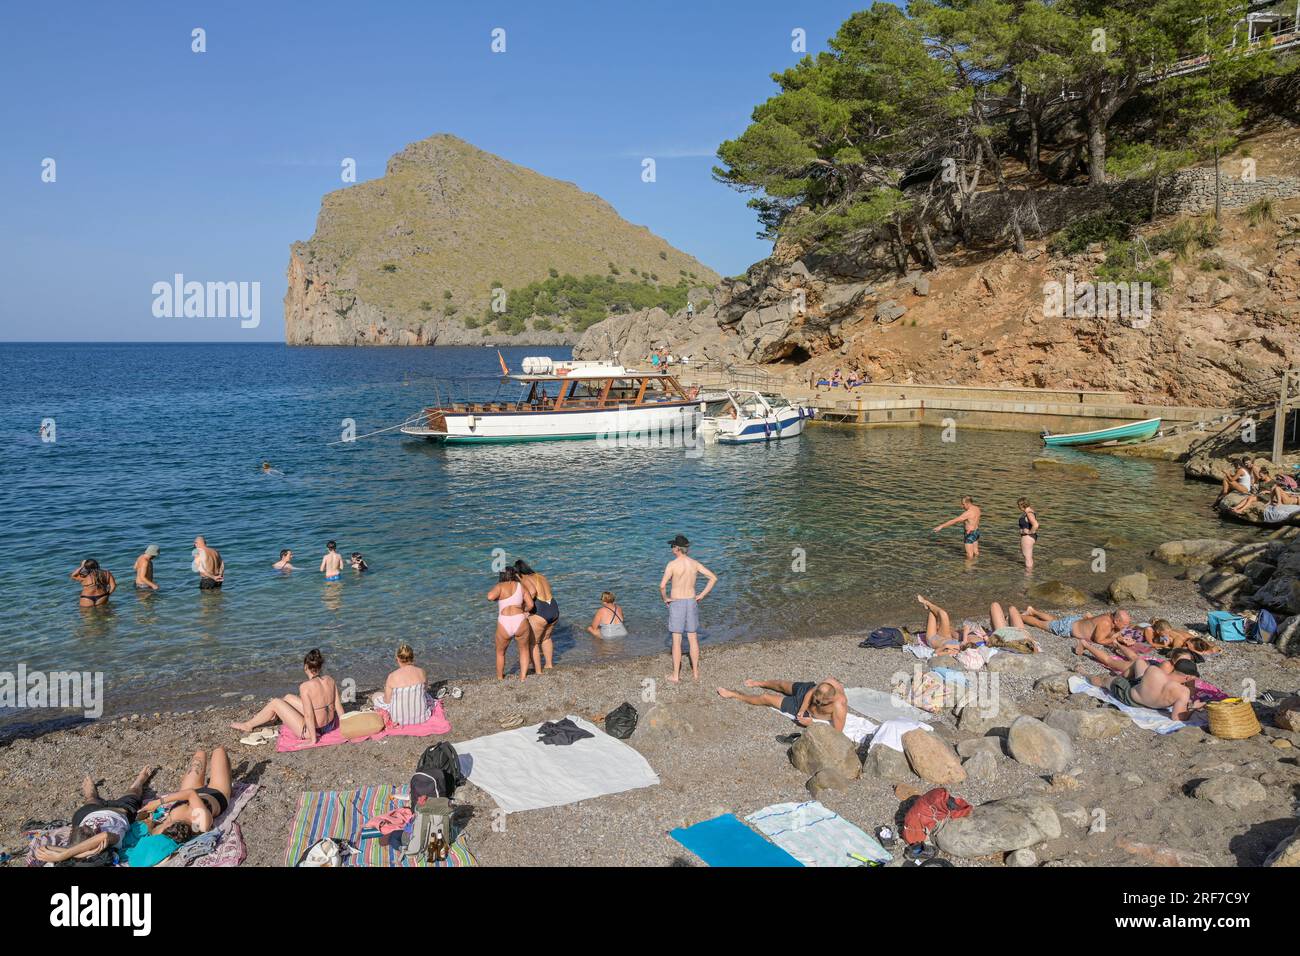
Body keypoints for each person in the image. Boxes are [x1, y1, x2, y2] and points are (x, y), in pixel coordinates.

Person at [33, 766, 155, 864]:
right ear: (93, 846)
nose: (93, 827)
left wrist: (68, 853)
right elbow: (104, 835)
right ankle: (140, 780)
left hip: (88, 813)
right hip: (120, 810)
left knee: (91, 799)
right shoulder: (111, 841)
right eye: (91, 831)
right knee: (134, 793)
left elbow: (41, 850)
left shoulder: (72, 846)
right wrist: (70, 854)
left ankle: (90, 792)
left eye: (85, 828)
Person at [231, 649, 342, 743]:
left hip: (313, 731)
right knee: (288, 698)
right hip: (330, 726)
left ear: (305, 667)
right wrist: (345, 725)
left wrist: (313, 740)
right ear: (320, 666)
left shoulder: (305, 687)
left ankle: (248, 725)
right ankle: (274, 716)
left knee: (275, 702)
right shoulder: (330, 680)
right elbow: (338, 707)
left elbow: (308, 715)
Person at [137, 746, 234, 838]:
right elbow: (191, 794)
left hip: (189, 794)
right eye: (168, 822)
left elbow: (150, 827)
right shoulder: (201, 822)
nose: (166, 822)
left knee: (200, 754)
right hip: (216, 793)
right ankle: (227, 776)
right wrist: (158, 802)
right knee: (219, 752)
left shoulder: (164, 831)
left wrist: (147, 819)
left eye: (167, 822)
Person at [659, 534, 718, 683]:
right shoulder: (694, 563)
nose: (671, 548)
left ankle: (676, 676)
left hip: (677, 602)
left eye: (672, 546)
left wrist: (665, 598)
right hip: (691, 602)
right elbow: (713, 578)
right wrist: (701, 595)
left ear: (677, 549)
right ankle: (696, 673)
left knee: (676, 640)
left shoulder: (672, 565)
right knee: (693, 638)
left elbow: (662, 586)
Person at [1091, 656, 1203, 721]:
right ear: (1188, 677)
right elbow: (1177, 718)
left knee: (1105, 681)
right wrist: (1193, 708)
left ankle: (1086, 674)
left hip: (1130, 696)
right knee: (1139, 665)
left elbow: (1148, 680)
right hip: (1141, 698)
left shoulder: (1153, 670)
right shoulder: (1183, 692)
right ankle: (1086, 674)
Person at [717, 677, 848, 731]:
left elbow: (837, 733)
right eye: (816, 698)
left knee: (765, 697)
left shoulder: (839, 706)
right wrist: (802, 709)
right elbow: (810, 693)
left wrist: (811, 724)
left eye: (820, 702)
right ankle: (759, 683)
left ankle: (735, 695)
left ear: (831, 700)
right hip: (804, 696)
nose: (816, 702)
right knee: (781, 685)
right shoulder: (828, 683)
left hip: (798, 707)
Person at [488, 568, 535, 681]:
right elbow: (531, 605)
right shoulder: (521, 586)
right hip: (520, 620)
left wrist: (498, 596)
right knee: (524, 649)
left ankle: (500, 677)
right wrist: (525, 612)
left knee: (500, 652)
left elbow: (490, 597)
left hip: (504, 622)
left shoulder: (500, 586)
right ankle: (523, 677)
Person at [372, 643, 432, 726]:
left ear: (397, 659)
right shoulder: (421, 672)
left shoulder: (392, 676)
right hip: (422, 717)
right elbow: (424, 690)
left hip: (398, 720)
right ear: (413, 657)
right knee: (426, 696)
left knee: (376, 695)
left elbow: (387, 701)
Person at [515, 559, 558, 671]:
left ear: (519, 571)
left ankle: (537, 670)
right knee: (546, 638)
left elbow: (533, 592)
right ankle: (549, 664)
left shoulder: (524, 577)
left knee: (533, 643)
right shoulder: (541, 576)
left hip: (541, 609)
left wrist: (525, 608)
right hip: (553, 607)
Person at [1020, 606, 1131, 643]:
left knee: (1055, 620)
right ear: (1116, 621)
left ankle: (1032, 611)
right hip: (1068, 628)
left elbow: (1110, 633)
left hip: (1075, 621)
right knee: (1039, 624)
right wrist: (1115, 640)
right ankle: (1017, 615)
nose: (1126, 626)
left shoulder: (1110, 616)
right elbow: (1099, 640)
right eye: (1125, 624)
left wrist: (1121, 638)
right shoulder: (1106, 623)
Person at [1016, 498, 1039, 570]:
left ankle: (1028, 577)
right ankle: (1030, 574)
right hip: (1030, 537)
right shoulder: (1031, 512)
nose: (1018, 507)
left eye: (1018, 505)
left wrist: (1029, 532)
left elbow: (1036, 525)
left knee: (1027, 558)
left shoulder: (1029, 513)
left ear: (1021, 505)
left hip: (1027, 537)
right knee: (1028, 557)